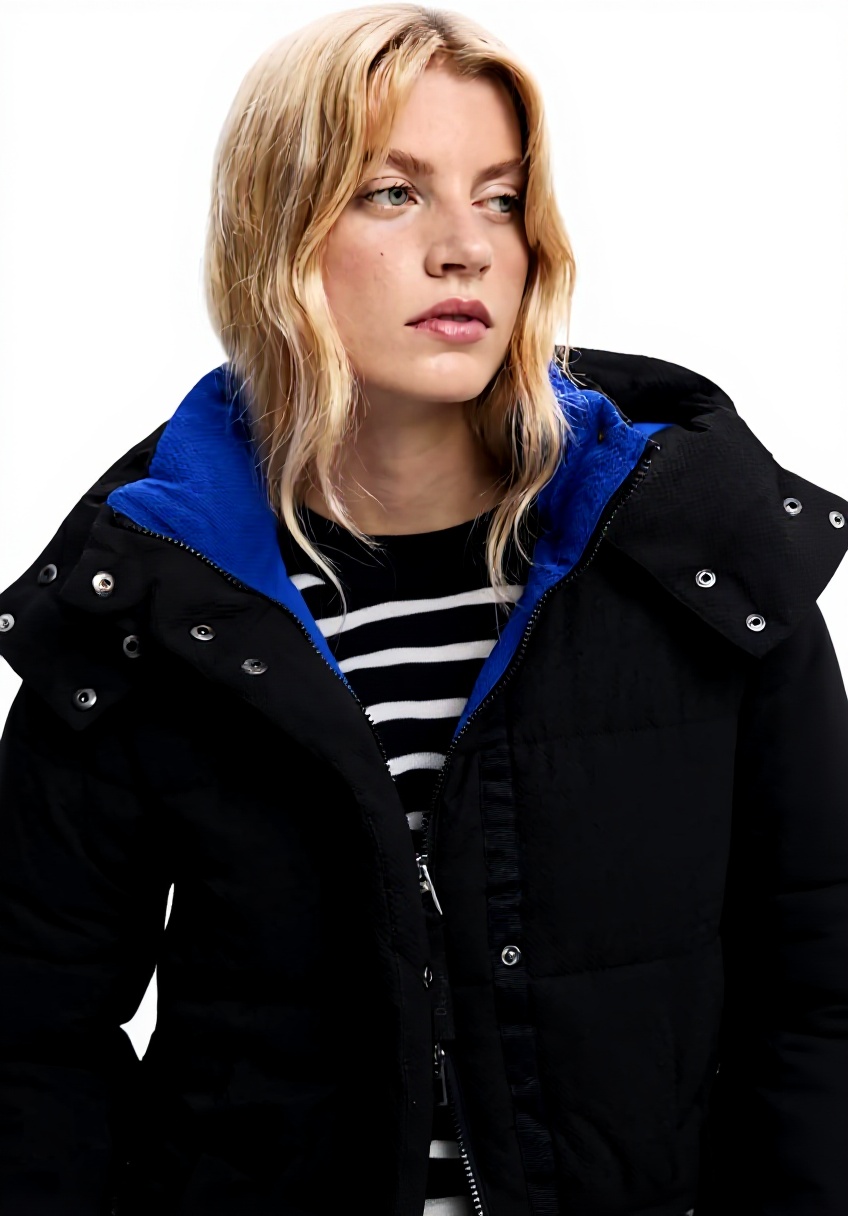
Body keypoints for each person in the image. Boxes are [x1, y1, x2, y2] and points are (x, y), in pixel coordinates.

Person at [0, 4, 846, 1214]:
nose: (465, 249)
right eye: (392, 193)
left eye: (500, 198)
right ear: (273, 232)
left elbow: (816, 994)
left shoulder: (698, 563)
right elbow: (32, 1036)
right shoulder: (144, 602)